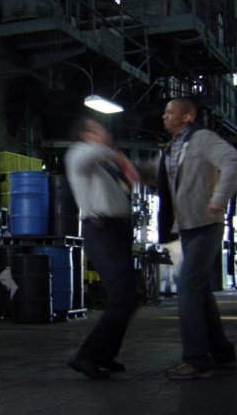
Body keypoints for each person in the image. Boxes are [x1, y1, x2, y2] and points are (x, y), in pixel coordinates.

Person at [136, 97, 237, 380]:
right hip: (184, 228)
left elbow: (233, 160)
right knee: (200, 291)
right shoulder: (172, 149)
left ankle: (197, 360)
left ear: (187, 117)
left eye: (170, 111)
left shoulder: (202, 139)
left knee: (187, 287)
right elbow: (170, 183)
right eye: (164, 111)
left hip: (206, 224)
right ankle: (222, 355)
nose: (164, 115)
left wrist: (219, 198)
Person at [64, 118, 139, 381]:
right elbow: (90, 156)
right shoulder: (78, 155)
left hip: (115, 232)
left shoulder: (101, 165)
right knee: (121, 297)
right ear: (86, 135)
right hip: (101, 231)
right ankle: (86, 355)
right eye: (98, 130)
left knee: (129, 297)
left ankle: (105, 355)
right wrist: (118, 157)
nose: (105, 132)